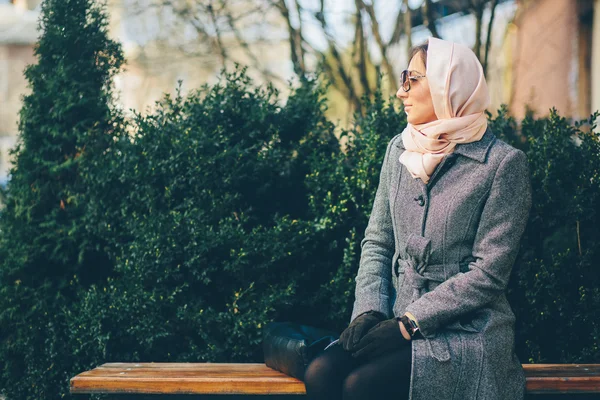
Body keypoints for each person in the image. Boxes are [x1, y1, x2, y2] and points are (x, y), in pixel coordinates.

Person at [304, 36, 531, 400]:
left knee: (361, 386)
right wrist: (367, 311)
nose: (400, 91)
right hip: (392, 320)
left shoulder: (502, 164)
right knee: (320, 372)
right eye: (402, 79)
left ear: (447, 85)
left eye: (412, 79)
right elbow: (377, 241)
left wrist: (411, 323)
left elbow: (488, 274)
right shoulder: (400, 148)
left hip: (465, 333)